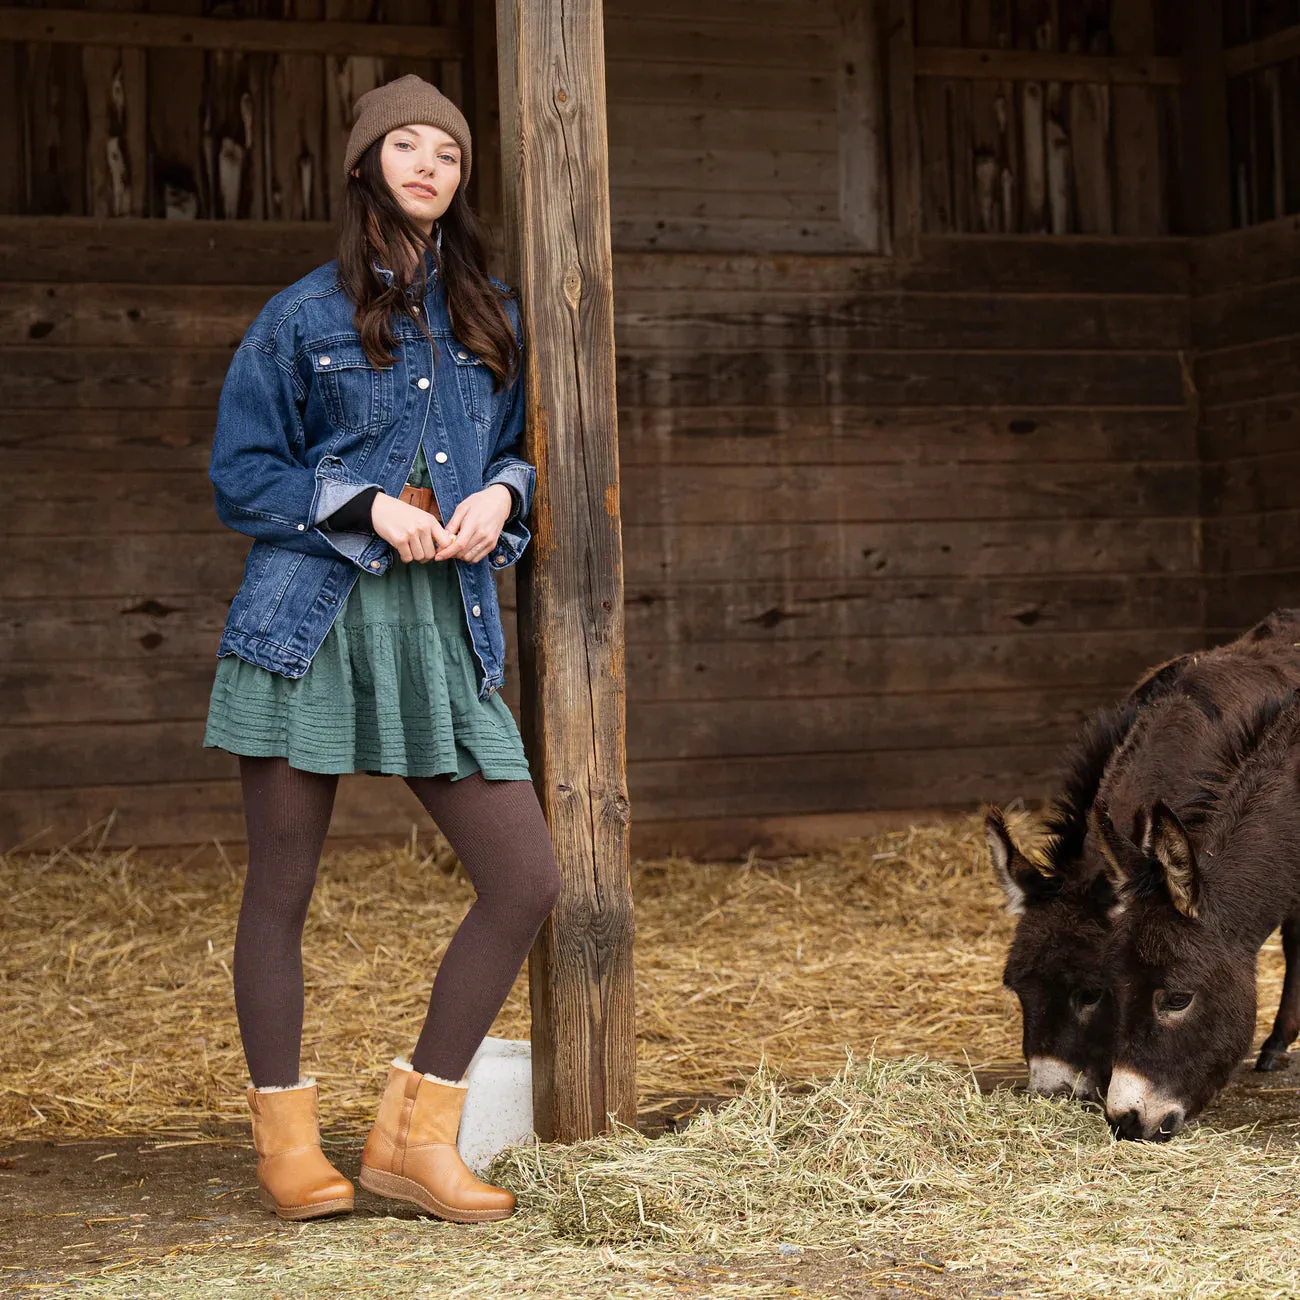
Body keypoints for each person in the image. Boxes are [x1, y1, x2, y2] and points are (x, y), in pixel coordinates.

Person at [203, 75, 562, 1225]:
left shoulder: (487, 311)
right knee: (284, 885)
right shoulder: (300, 315)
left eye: (446, 154)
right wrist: (360, 502)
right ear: (366, 165)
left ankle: (415, 1136)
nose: (426, 166)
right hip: (310, 618)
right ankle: (287, 1141)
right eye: (403, 146)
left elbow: (520, 450)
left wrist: (506, 495)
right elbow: (242, 473)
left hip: (439, 622)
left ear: (460, 181)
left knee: (524, 878)